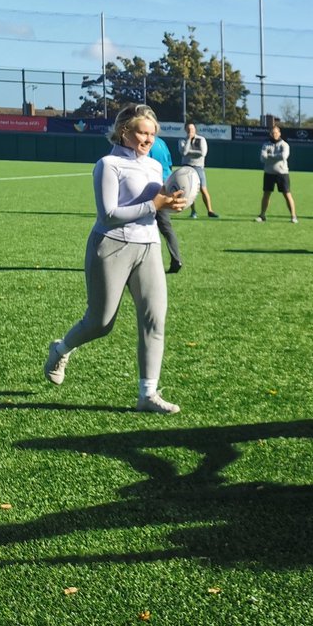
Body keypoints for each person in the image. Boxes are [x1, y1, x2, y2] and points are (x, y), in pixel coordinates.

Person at [43, 103, 186, 413]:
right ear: (124, 131)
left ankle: (147, 395)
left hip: (148, 247)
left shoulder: (152, 165)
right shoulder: (108, 165)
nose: (147, 139)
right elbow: (108, 215)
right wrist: (154, 204)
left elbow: (156, 201)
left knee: (154, 320)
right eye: (141, 132)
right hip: (110, 246)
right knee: (100, 323)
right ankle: (61, 348)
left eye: (151, 133)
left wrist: (170, 203)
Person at [148, 135, 183, 274]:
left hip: (153, 185)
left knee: (143, 225)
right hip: (166, 182)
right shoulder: (161, 142)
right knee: (166, 227)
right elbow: (169, 164)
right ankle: (176, 258)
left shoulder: (146, 142)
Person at [257, 123, 297, 223]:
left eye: (276, 133)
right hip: (269, 173)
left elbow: (283, 156)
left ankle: (293, 216)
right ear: (270, 134)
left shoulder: (284, 145)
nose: (274, 134)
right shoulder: (266, 145)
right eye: (272, 133)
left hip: (282, 173)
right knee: (266, 194)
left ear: (279, 133)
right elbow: (262, 158)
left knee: (287, 194)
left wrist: (270, 156)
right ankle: (262, 215)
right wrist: (274, 157)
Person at [178, 123, 218, 218]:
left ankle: (210, 211)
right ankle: (193, 212)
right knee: (189, 190)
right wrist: (188, 140)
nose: (190, 131)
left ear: (195, 129)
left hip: (198, 167)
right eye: (188, 129)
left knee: (203, 189)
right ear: (185, 130)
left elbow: (203, 153)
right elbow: (183, 152)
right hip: (186, 167)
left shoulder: (201, 139)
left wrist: (189, 152)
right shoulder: (182, 140)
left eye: (192, 129)